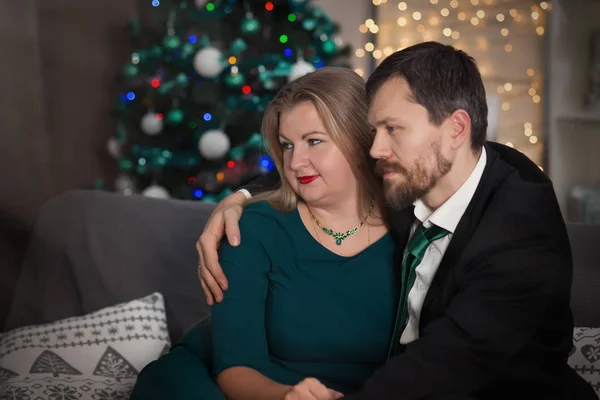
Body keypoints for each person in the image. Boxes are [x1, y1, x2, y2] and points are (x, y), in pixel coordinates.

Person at [197, 42, 597, 400]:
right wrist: (240, 196)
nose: (375, 148)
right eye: (373, 130)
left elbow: (447, 367)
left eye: (392, 129)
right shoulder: (416, 178)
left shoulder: (519, 233)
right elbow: (323, 161)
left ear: (457, 128)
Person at [132, 66, 400, 399]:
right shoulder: (255, 228)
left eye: (314, 141)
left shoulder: (410, 229)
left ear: (361, 140)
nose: (295, 162)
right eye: (287, 146)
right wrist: (288, 396)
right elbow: (235, 370)